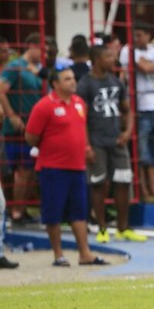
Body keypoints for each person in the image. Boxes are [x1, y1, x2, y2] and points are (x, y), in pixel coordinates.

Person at [25, 66, 108, 267]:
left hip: (77, 166)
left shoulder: (79, 103)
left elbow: (82, 127)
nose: (73, 82)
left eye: (73, 78)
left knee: (79, 212)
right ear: (55, 84)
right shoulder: (44, 106)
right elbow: (31, 136)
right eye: (67, 79)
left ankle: (84, 253)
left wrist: (87, 147)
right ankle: (58, 254)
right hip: (53, 167)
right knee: (53, 212)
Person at [76, 44, 143, 243]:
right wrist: (87, 146)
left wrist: (127, 132)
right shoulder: (85, 84)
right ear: (96, 59)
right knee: (99, 184)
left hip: (117, 141)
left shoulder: (116, 82)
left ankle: (123, 228)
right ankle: (102, 228)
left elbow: (127, 110)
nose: (112, 60)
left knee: (123, 182)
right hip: (96, 141)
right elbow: (82, 118)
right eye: (107, 57)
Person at [120, 24, 154, 203]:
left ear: (148, 35)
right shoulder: (128, 50)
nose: (137, 39)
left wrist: (151, 66)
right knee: (140, 153)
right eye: (134, 35)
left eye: (140, 35)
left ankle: (153, 190)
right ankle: (142, 191)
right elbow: (143, 68)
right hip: (139, 109)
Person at [0, 33, 44, 227]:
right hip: (16, 128)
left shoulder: (35, 70)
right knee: (21, 171)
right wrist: (11, 115)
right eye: (42, 49)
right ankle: (15, 212)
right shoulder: (14, 67)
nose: (44, 54)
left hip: (32, 128)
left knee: (29, 171)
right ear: (33, 46)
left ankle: (20, 210)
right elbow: (1, 89)